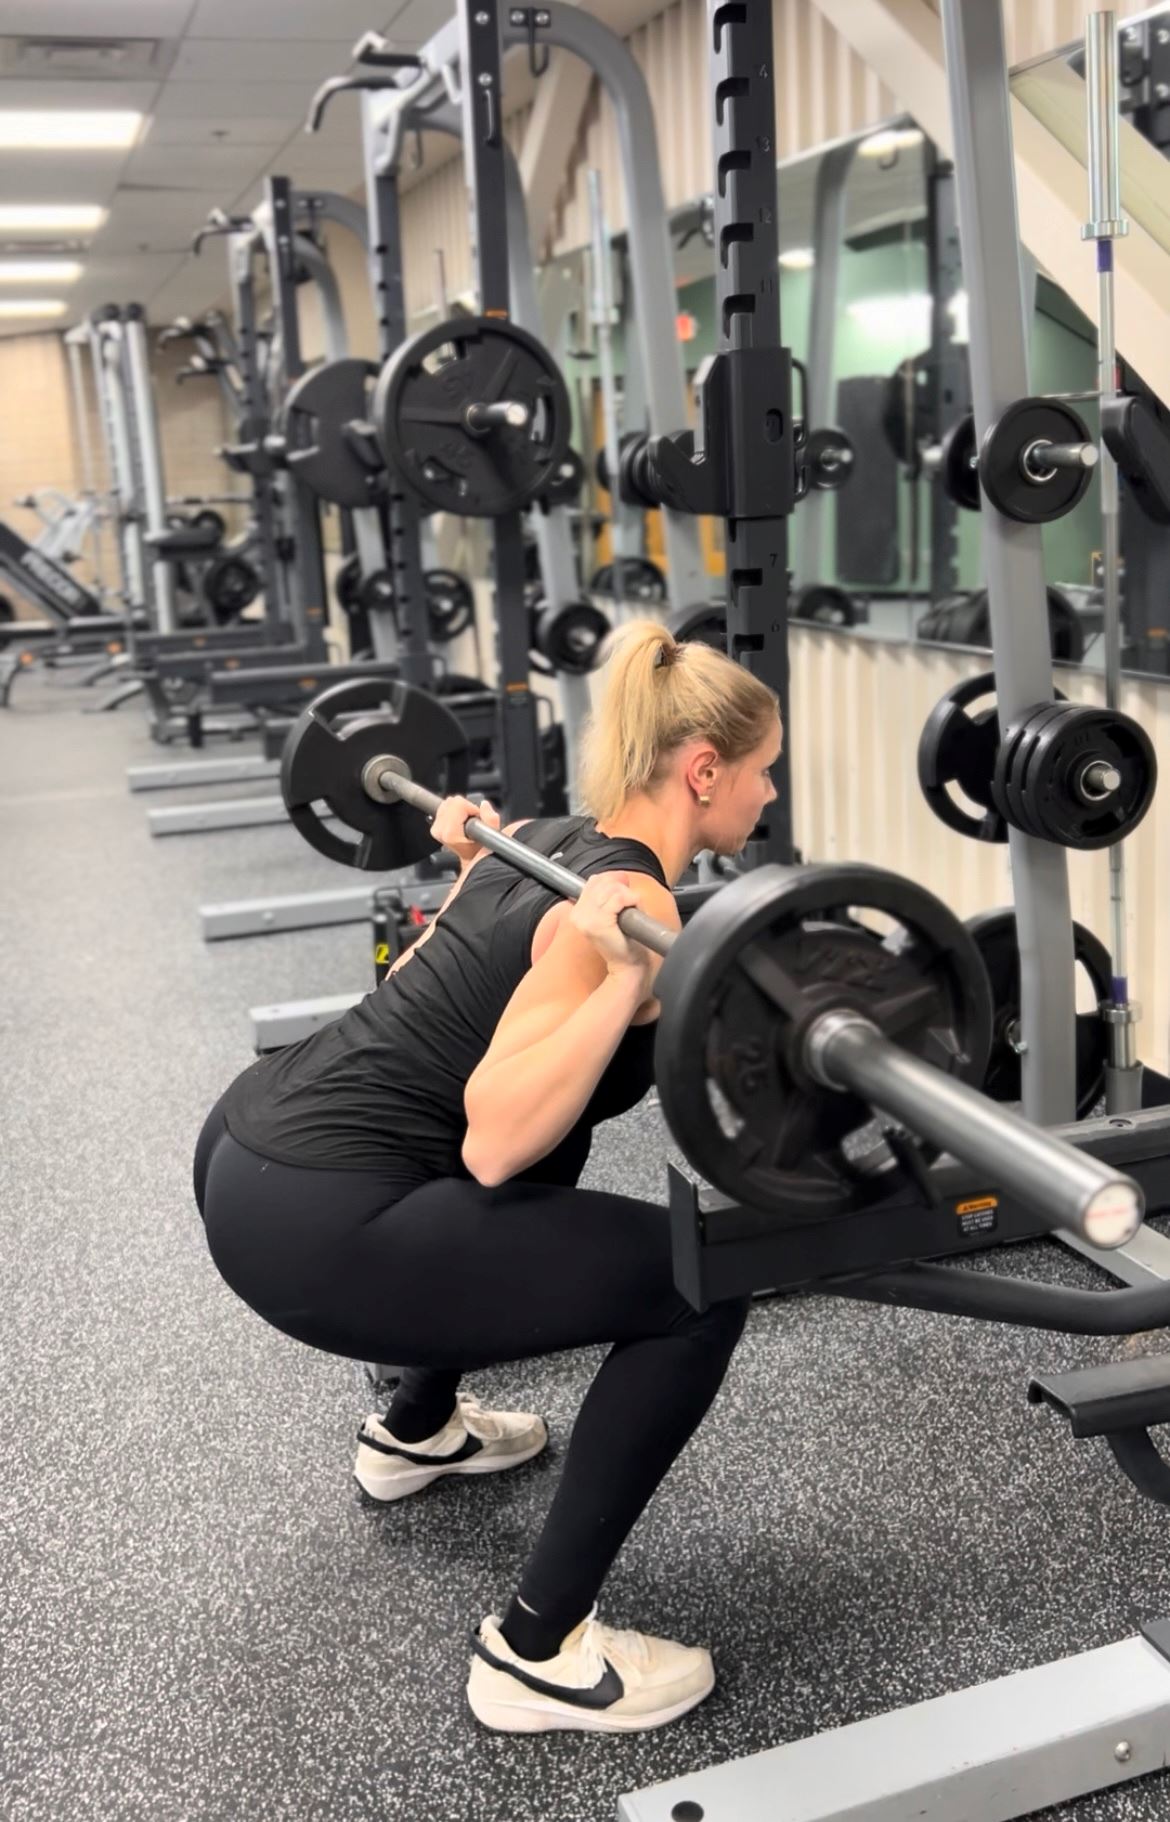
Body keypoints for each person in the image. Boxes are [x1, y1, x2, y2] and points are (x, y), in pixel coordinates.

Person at [194, 618, 782, 1735]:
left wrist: (469, 872)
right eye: (763, 771)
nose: (767, 793)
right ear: (704, 770)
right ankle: (536, 1649)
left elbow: (419, 984)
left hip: (243, 1142)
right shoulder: (634, 901)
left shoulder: (543, 839)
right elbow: (493, 1143)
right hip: (320, 1222)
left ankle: (415, 1427)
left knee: (553, 1164)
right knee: (695, 1283)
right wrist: (617, 979)